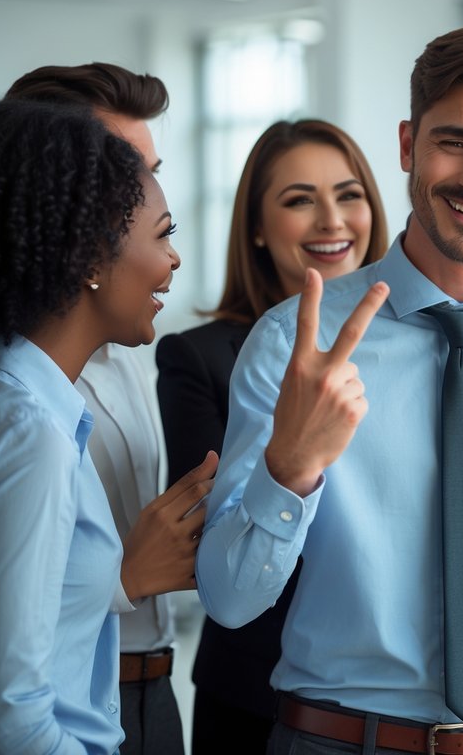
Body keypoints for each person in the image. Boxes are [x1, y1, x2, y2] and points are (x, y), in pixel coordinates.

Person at [196, 24, 463, 754]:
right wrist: (291, 469)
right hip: (334, 740)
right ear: (407, 145)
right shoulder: (295, 342)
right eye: (453, 142)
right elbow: (230, 600)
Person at [155, 118, 389, 753]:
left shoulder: (417, 345)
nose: (331, 220)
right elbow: (212, 536)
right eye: (298, 200)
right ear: (256, 228)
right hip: (255, 692)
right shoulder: (198, 358)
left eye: (349, 194)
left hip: (397, 703)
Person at [3, 61, 215, 755]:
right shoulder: (29, 418)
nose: (173, 258)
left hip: (145, 691)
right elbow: (15, 712)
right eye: (125, 186)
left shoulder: (109, 360)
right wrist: (121, 575)